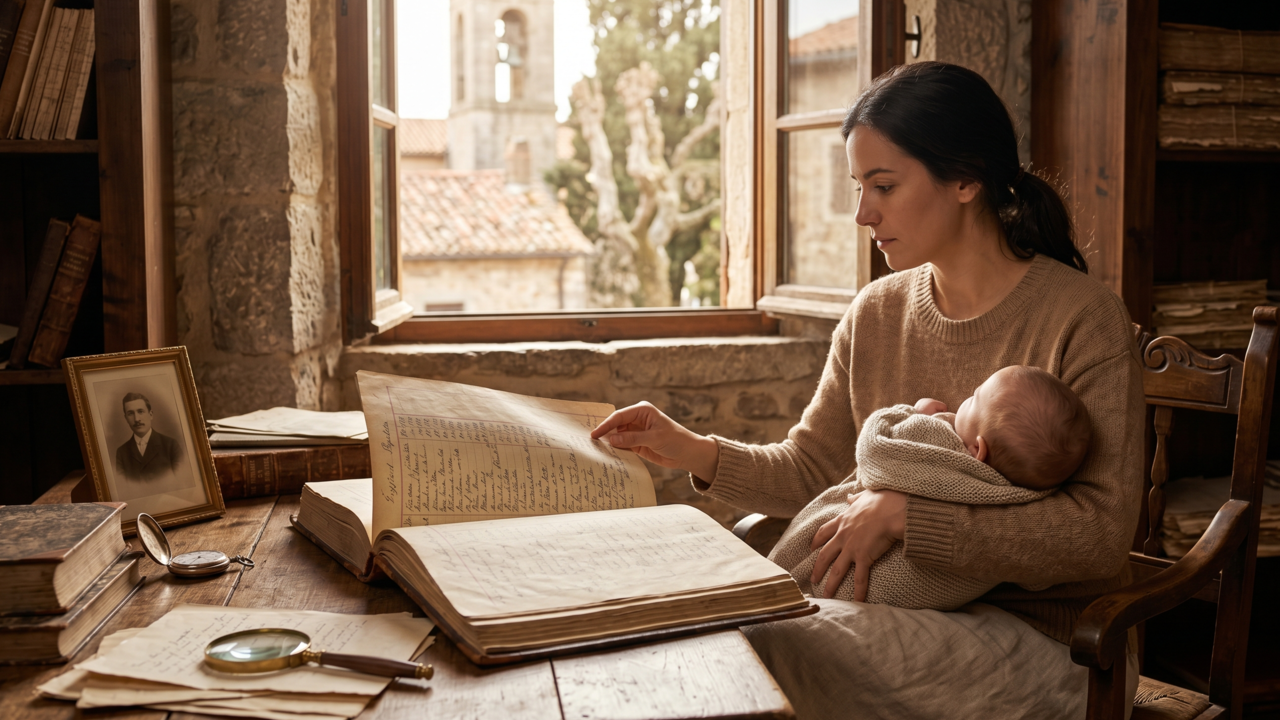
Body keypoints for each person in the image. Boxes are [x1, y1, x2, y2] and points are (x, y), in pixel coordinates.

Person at [592, 61, 1145, 719]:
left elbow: (1098, 534)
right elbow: (812, 469)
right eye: (859, 186)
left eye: (883, 185)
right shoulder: (875, 313)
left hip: (1054, 645)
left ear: (966, 179)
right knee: (703, 622)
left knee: (763, 643)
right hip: (890, 616)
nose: (862, 213)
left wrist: (910, 518)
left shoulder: (1082, 317)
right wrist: (690, 449)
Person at [771, 365, 1092, 610]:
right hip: (910, 601)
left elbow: (873, 452)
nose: (965, 398)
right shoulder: (1024, 499)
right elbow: (1036, 575)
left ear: (977, 450)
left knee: (801, 562)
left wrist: (908, 413)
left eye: (974, 398)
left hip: (849, 580)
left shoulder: (936, 439)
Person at [115, 392, 184, 482]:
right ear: (126, 418)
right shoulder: (122, 452)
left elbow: (181, 481)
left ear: (150, 414)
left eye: (140, 411)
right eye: (130, 413)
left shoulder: (171, 445)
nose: (136, 419)